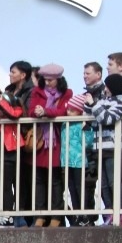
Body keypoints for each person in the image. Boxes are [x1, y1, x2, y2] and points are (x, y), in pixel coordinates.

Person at [0, 61, 35, 228]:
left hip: (14, 143)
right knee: (1, 184)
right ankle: (5, 215)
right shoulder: (9, 91)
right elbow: (2, 111)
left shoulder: (28, 93)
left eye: (13, 72)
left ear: (23, 75)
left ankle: (13, 216)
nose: (10, 74)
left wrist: (1, 102)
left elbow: (18, 113)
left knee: (15, 183)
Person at [25, 63, 72, 227]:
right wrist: (37, 112)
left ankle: (56, 216)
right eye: (45, 79)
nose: (47, 83)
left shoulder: (67, 93)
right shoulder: (37, 91)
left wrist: (46, 111)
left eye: (50, 80)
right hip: (40, 142)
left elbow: (64, 112)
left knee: (55, 180)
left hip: (56, 141)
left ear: (58, 79)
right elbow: (31, 110)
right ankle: (40, 214)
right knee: (38, 179)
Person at [86, 73, 122, 225]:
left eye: (107, 86)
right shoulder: (103, 101)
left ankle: (120, 212)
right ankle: (109, 214)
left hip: (113, 149)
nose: (105, 89)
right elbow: (90, 114)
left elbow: (107, 118)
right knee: (104, 185)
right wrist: (90, 103)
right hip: (99, 148)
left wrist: (94, 105)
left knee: (114, 182)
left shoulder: (120, 102)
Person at [61, 94, 93, 226]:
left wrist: (88, 129)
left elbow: (88, 143)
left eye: (72, 110)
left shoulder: (82, 124)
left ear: (79, 112)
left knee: (80, 188)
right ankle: (77, 214)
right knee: (72, 189)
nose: (69, 112)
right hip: (66, 161)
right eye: (68, 109)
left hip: (79, 161)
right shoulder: (64, 123)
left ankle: (84, 214)